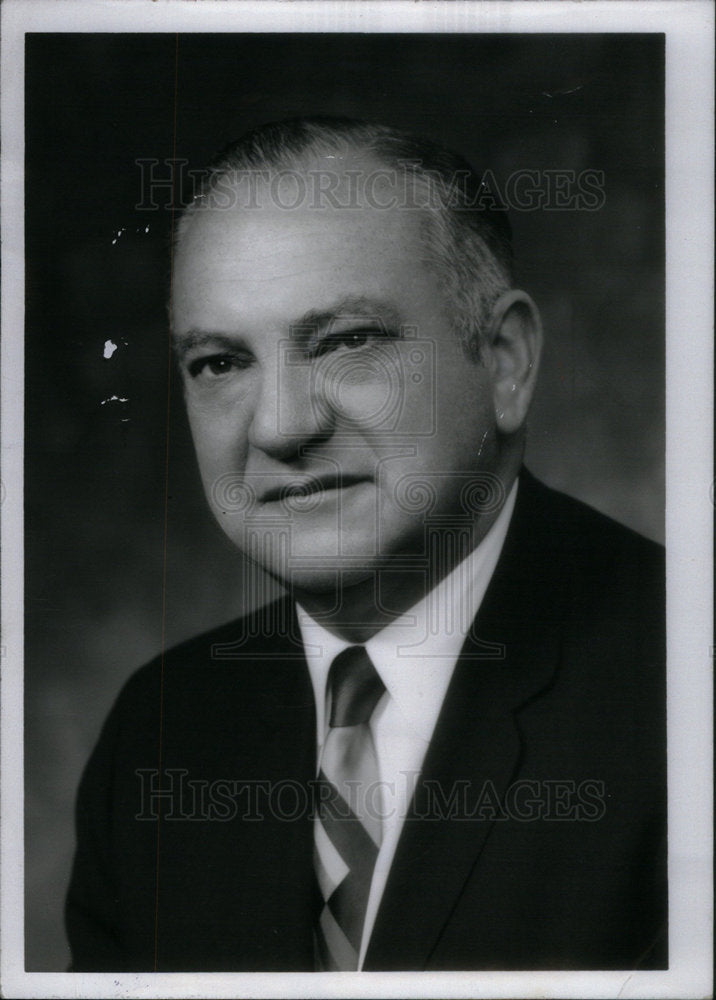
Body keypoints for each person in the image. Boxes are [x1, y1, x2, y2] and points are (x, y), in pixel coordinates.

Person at [66, 117, 666, 972]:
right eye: (220, 363)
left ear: (504, 361)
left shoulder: (683, 690)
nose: (281, 427)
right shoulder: (163, 732)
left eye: (347, 342)